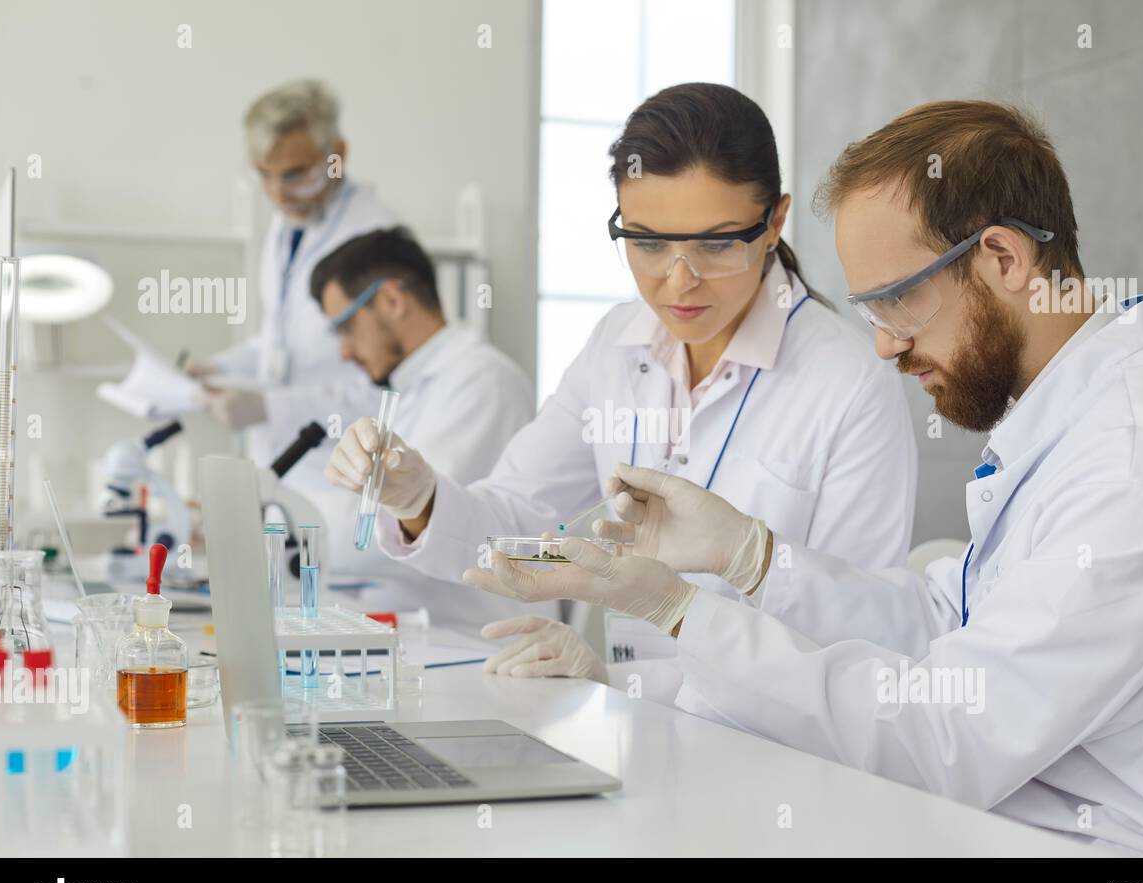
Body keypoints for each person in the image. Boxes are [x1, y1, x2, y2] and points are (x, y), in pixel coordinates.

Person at [463, 101, 1143, 857]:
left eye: (897, 301)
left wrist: (678, 615)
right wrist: (753, 556)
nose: (885, 347)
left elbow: (944, 739)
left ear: (1000, 256)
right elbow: (944, 624)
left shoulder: (1138, 474)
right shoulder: (1071, 416)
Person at [324, 82, 918, 695]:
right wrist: (418, 499)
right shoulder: (615, 346)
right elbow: (518, 528)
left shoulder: (849, 384)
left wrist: (628, 680)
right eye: (648, 242)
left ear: (774, 224)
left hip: (776, 748)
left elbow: (861, 640)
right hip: (638, 731)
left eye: (716, 243)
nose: (678, 281)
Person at [309, 227, 544, 630]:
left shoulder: (483, 381)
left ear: (393, 300)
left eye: (346, 327)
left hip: (473, 641)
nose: (344, 351)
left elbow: (396, 532)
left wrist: (278, 529)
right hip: (417, 633)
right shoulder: (409, 388)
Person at [193, 79, 396, 495]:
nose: (278, 194)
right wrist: (221, 368)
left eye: (295, 175)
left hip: (341, 476)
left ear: (337, 154)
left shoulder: (375, 242)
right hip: (283, 466)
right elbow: (281, 341)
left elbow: (386, 391)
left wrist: (268, 406)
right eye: (264, 176)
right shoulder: (290, 224)